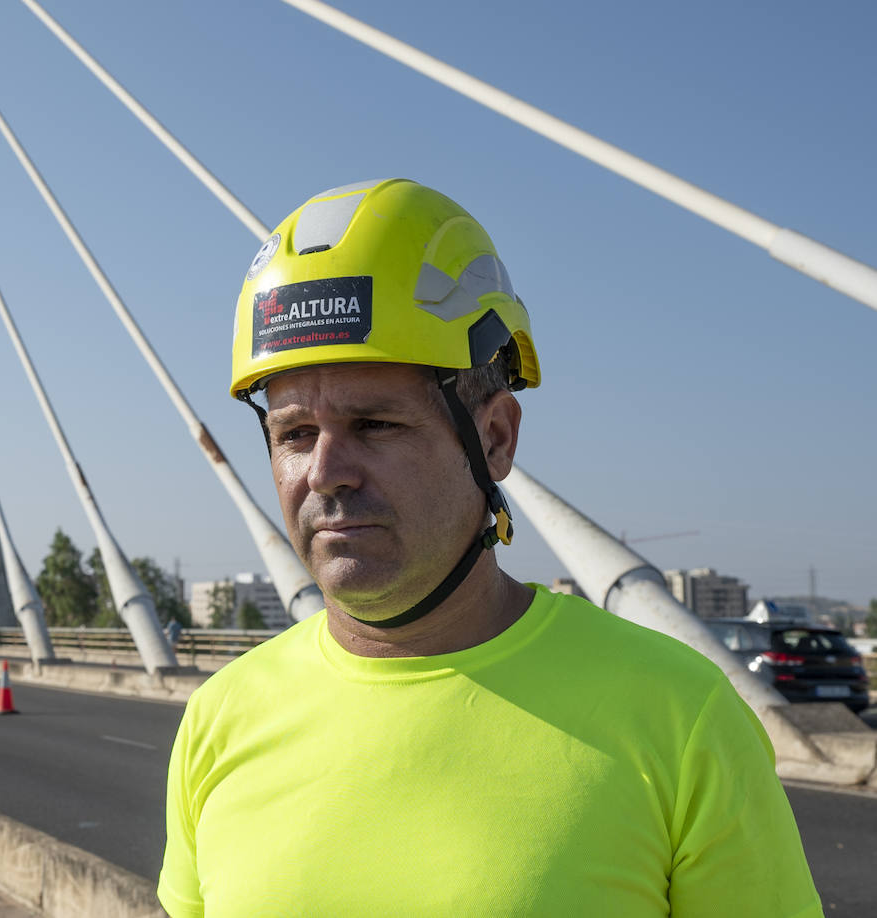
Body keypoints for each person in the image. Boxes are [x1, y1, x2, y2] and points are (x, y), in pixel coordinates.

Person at [158, 179, 821, 916]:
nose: (324, 472)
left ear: (496, 438)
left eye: (377, 425)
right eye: (293, 433)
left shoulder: (681, 721)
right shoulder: (217, 722)